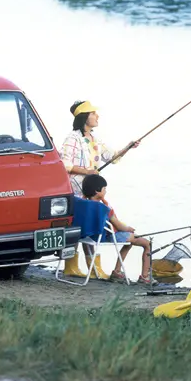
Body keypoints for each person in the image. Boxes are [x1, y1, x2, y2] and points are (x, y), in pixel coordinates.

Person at [59, 100, 139, 279]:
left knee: (91, 228)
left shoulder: (94, 139)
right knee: (77, 227)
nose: (97, 116)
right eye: (93, 113)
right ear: (84, 117)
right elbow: (63, 164)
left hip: (91, 192)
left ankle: (93, 267)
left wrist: (128, 147)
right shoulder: (72, 138)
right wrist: (87, 171)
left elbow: (112, 156)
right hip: (75, 191)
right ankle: (71, 265)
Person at [81, 174, 152, 284]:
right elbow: (118, 226)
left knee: (130, 241)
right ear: (97, 191)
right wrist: (128, 228)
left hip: (88, 236)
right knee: (147, 243)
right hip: (105, 236)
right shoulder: (104, 208)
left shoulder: (82, 204)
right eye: (104, 189)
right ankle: (145, 277)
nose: (106, 191)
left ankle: (117, 272)